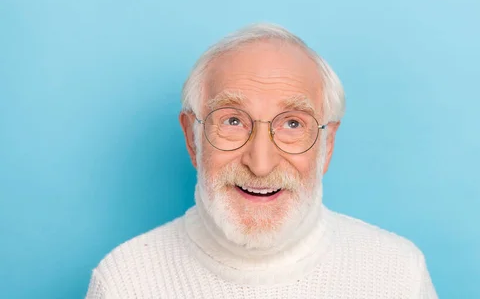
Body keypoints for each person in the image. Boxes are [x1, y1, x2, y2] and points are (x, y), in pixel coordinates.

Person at [85, 23, 438, 298]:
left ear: (326, 145)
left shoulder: (398, 275)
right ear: (192, 139)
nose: (261, 163)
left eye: (293, 124)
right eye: (233, 121)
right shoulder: (124, 283)